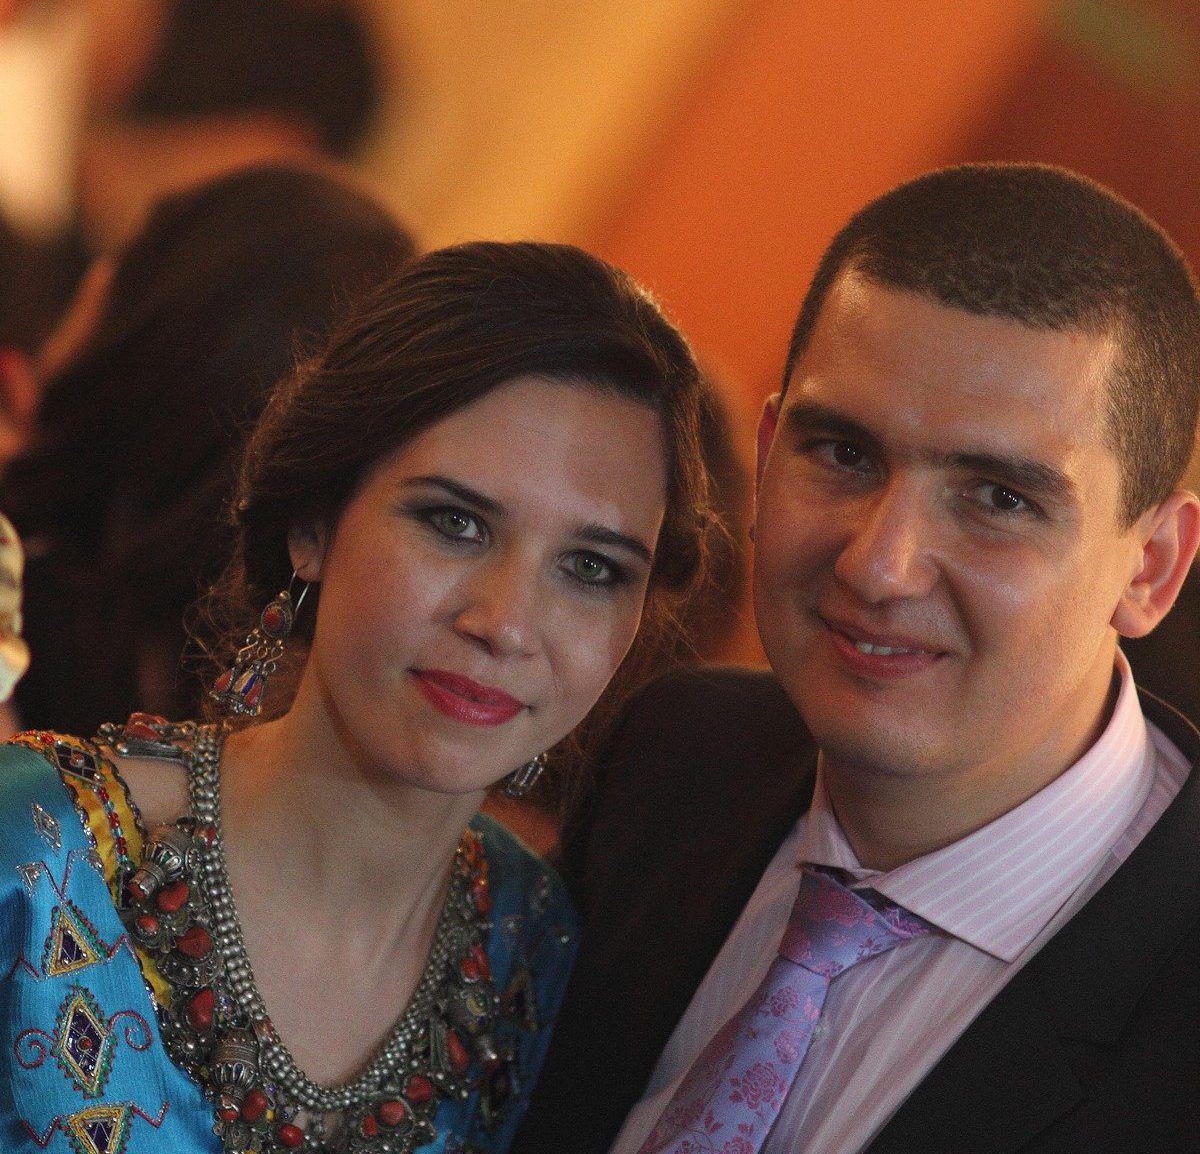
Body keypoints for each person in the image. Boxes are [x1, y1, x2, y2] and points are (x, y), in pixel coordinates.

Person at [511, 163, 1200, 1154]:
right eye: (843, 454)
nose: (879, 565)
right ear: (766, 453)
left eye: (999, 498)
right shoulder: (672, 758)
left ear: (1152, 566)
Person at [0, 239, 715, 1152]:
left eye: (591, 568)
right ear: (313, 525)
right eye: (454, 522)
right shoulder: (32, 857)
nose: (506, 623)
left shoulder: (541, 962)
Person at [0, 161, 414, 736]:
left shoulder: (27, 596)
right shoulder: (242, 720)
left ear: (158, 331)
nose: (96, 275)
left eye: (135, 254)